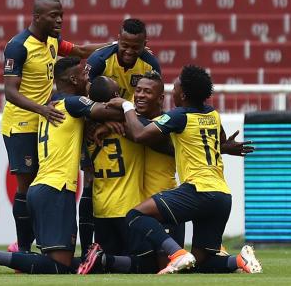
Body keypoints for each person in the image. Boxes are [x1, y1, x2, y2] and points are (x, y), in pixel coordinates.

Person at [0, 57, 124, 275]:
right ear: (73, 79)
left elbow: (90, 120)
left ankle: (21, 256)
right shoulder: (72, 103)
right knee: (59, 266)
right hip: (56, 190)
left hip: (40, 188)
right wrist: (124, 105)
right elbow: (112, 112)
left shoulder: (50, 105)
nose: (87, 79)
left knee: (54, 262)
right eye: (83, 75)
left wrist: (100, 124)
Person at [102, 65, 263, 274]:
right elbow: (216, 143)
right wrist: (226, 147)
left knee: (135, 215)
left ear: (184, 95)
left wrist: (126, 105)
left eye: (175, 88)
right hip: (222, 196)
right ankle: (240, 261)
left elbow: (140, 134)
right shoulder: (213, 115)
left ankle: (176, 253)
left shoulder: (179, 116)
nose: (172, 91)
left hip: (198, 190)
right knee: (200, 263)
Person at [1, 0, 111, 253]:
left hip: (45, 120)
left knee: (45, 183)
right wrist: (42, 109)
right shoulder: (18, 46)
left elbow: (82, 51)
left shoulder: (52, 40)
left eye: (61, 14)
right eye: (54, 15)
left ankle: (45, 242)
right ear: (37, 16)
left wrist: (115, 46)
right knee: (26, 187)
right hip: (21, 124)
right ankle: (23, 248)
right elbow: (10, 91)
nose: (60, 19)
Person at [78, 18, 161, 256]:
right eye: (124, 45)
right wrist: (103, 121)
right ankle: (87, 248)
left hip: (131, 126)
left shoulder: (150, 63)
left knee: (136, 183)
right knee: (91, 181)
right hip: (98, 126)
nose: (128, 51)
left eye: (135, 47)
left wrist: (124, 118)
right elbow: (85, 98)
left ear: (145, 44)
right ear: (118, 39)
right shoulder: (99, 60)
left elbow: (154, 101)